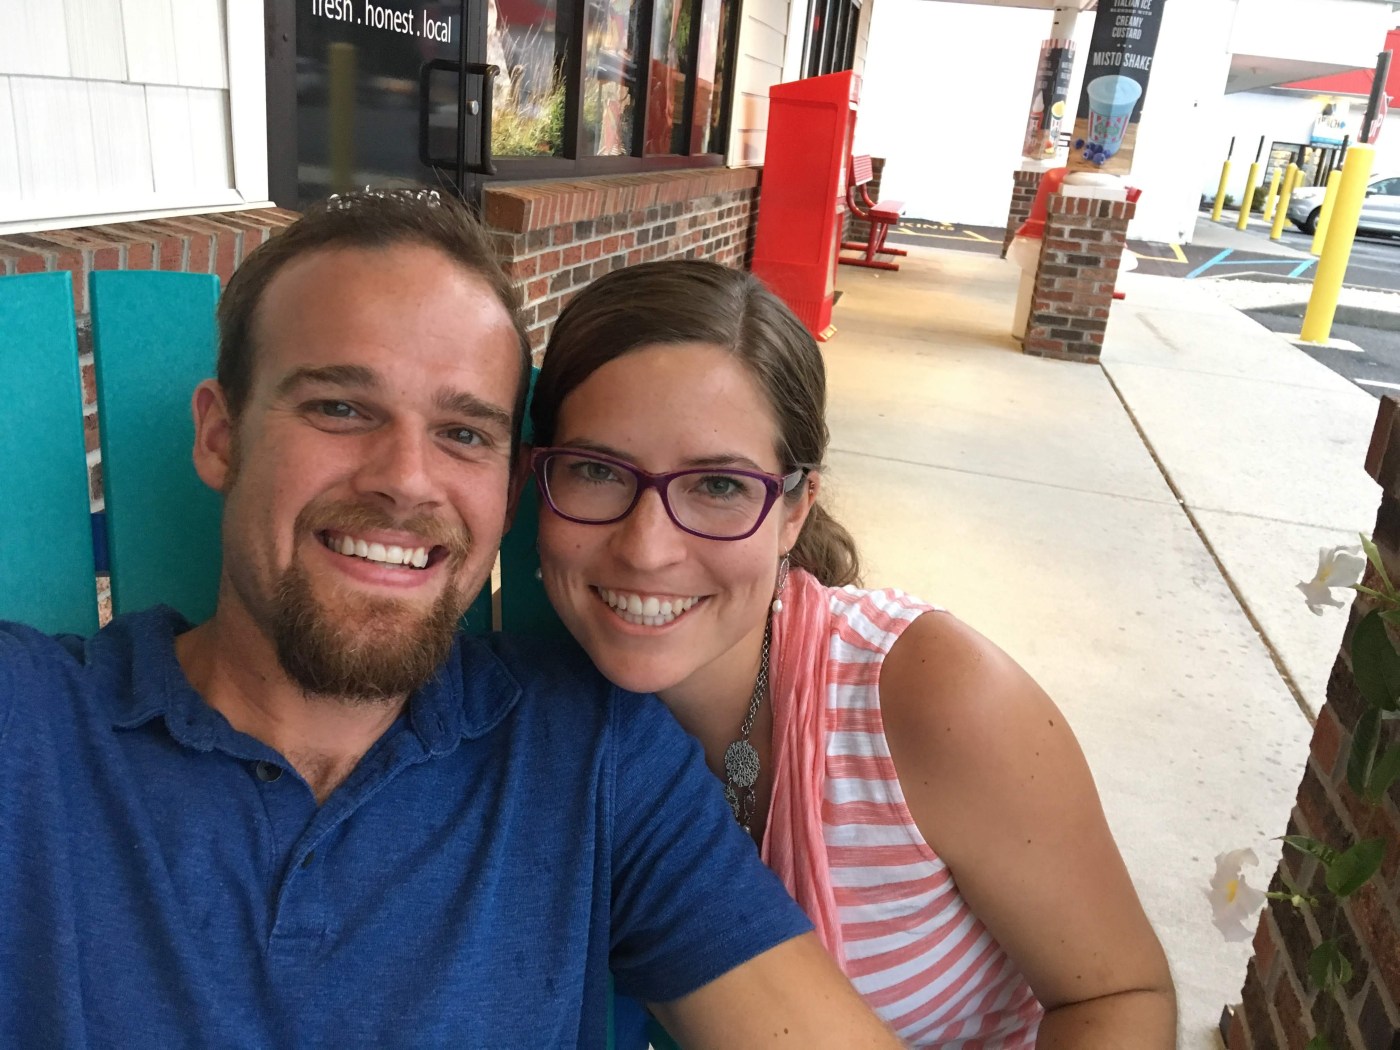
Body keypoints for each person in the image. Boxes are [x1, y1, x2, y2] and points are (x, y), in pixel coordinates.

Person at [0, 193, 902, 1049]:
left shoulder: (591, 757)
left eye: (465, 433)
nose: (405, 479)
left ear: (509, 492)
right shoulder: (30, 726)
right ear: (220, 437)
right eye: (340, 408)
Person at [529, 259, 1179, 1048]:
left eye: (720, 486)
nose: (647, 548)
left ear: (795, 511)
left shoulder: (935, 698)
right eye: (597, 471)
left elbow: (1120, 994)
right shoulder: (511, 715)